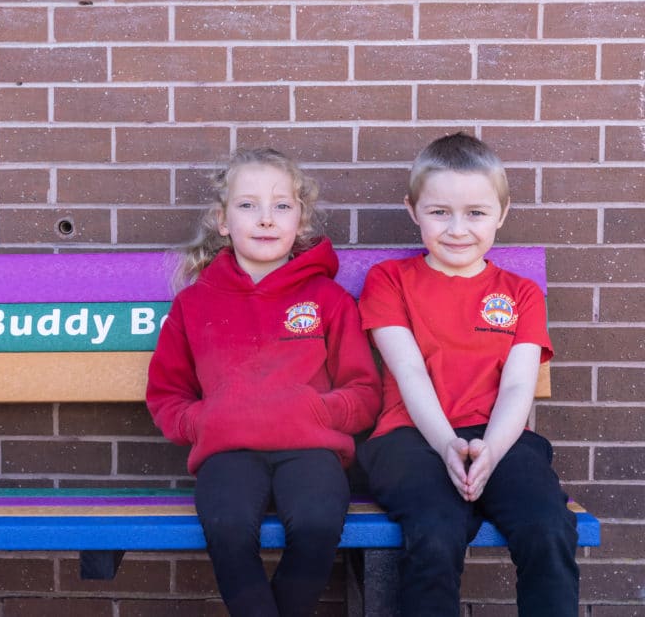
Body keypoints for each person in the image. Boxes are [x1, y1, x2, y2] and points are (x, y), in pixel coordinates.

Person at [146, 147, 382, 616]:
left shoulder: (326, 299)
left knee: (317, 522)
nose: (266, 218)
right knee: (227, 525)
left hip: (310, 450)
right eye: (248, 205)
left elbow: (364, 391)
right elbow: (166, 394)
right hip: (228, 452)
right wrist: (204, 421)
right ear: (222, 220)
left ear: (301, 220)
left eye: (281, 205)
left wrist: (315, 411)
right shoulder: (194, 304)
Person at [356, 132, 579, 616]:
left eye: (476, 212)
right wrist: (446, 445)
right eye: (440, 212)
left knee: (548, 526)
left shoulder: (520, 294)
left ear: (502, 213)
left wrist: (492, 451)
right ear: (413, 210)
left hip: (500, 435)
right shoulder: (389, 280)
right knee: (436, 529)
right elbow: (410, 372)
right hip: (411, 436)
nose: (458, 229)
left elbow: (519, 384)